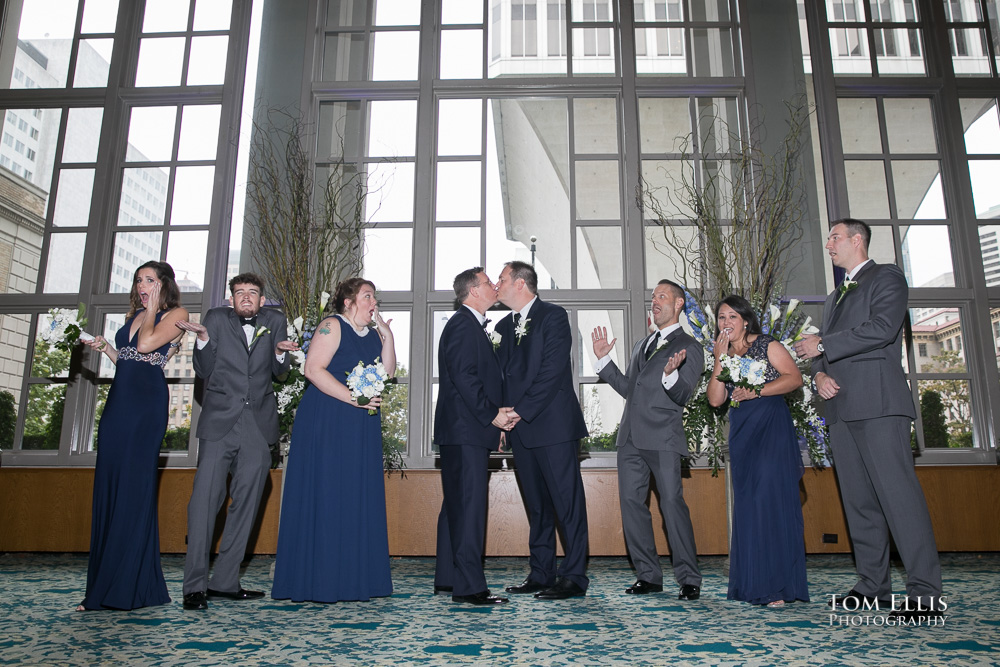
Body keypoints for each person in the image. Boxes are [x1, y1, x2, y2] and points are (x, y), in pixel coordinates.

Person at [794, 218, 943, 620]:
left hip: (878, 404)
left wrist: (822, 343)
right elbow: (821, 357)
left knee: (899, 499)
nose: (828, 244)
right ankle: (873, 586)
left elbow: (881, 328)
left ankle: (925, 593)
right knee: (859, 503)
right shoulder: (833, 298)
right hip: (841, 411)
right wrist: (820, 373)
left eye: (834, 237)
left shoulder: (887, 278)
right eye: (827, 238)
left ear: (857, 240)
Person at [175, 273, 296, 611]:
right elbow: (203, 369)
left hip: (258, 425)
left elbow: (279, 372)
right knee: (204, 504)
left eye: (252, 293)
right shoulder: (214, 318)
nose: (245, 298)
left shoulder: (275, 320)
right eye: (239, 293)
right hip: (219, 424)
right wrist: (201, 341)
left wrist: (282, 354)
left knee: (246, 505)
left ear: (261, 299)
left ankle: (225, 582)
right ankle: (194, 587)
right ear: (231, 299)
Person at [271, 278, 396, 602]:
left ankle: (354, 578)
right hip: (327, 421)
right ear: (348, 302)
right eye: (368, 296)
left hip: (360, 425)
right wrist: (354, 398)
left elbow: (388, 372)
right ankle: (319, 578)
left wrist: (388, 336)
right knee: (327, 491)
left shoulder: (372, 335)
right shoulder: (331, 325)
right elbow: (313, 370)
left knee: (354, 494)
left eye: (374, 296)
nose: (373, 302)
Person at [78, 261, 188, 610]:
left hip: (145, 405)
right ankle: (106, 585)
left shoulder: (175, 313)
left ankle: (126, 586)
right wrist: (107, 349)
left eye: (150, 280)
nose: (143, 285)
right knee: (111, 483)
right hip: (119, 402)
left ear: (164, 285)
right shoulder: (135, 316)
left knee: (133, 489)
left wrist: (154, 309)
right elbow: (128, 357)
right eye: (139, 280)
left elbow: (146, 349)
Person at [591, 279, 704, 600]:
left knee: (672, 505)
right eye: (653, 296)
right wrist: (603, 362)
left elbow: (683, 394)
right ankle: (648, 575)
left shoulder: (691, 347)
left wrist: (670, 375)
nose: (655, 301)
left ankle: (689, 577)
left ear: (678, 304)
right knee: (631, 506)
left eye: (662, 296)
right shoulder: (642, 344)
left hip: (663, 438)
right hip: (630, 439)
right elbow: (630, 389)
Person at [495, 260, 590, 600]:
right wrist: (504, 420)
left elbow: (551, 372)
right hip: (519, 430)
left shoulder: (553, 316)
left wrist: (519, 411)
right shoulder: (504, 327)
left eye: (502, 279)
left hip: (553, 427)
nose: (497, 284)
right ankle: (541, 572)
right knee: (536, 506)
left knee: (567, 504)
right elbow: (503, 377)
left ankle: (575, 576)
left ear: (521, 283)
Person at [706, 295, 809, 607]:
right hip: (742, 432)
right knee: (749, 505)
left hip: (771, 427)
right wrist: (719, 360)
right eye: (721, 318)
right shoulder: (724, 352)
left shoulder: (767, 344)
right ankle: (752, 584)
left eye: (732, 317)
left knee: (769, 501)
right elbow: (714, 400)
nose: (726, 323)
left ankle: (778, 586)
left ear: (745, 321)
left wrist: (757, 390)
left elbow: (795, 378)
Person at [432, 268, 510, 606]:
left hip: (462, 431)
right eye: (489, 282)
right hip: (466, 430)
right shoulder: (464, 325)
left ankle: (450, 578)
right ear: (473, 291)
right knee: (469, 507)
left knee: (457, 506)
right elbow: (465, 378)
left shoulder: (463, 324)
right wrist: (493, 415)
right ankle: (470, 588)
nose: (495, 286)